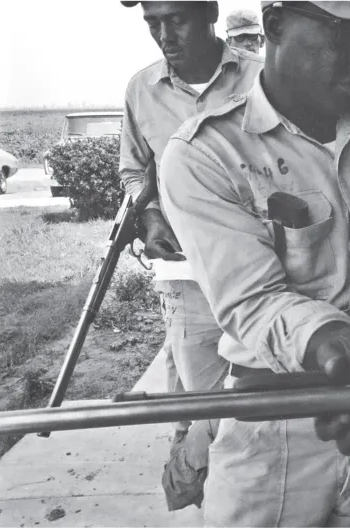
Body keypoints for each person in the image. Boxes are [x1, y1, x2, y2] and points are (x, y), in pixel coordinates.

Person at [159, 1, 350, 525]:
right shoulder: (206, 154)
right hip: (273, 423)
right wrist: (342, 347)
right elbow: (252, 300)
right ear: (275, 24)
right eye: (342, 33)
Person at [118, 0, 263, 450]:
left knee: (261, 411)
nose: (165, 35)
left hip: (263, 276)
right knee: (200, 411)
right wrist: (151, 217)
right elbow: (135, 171)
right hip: (186, 280)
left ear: (210, 12)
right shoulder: (141, 89)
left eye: (177, 19)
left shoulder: (264, 79)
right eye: (152, 23)